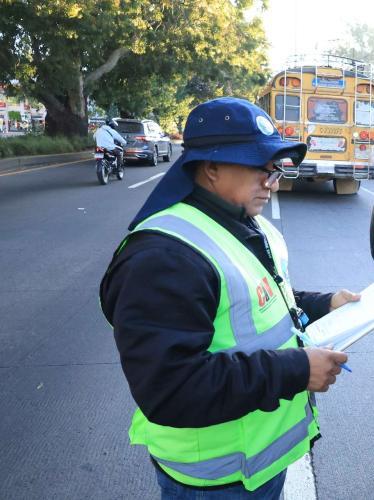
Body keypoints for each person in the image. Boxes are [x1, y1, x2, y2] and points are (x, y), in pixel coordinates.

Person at [100, 97, 360, 498]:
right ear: (211, 168)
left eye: (276, 171)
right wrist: (295, 370)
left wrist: (325, 304)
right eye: (262, 169)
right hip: (214, 481)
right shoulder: (165, 257)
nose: (271, 183)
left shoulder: (241, 222)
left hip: (257, 466)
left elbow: (265, 298)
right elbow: (171, 388)